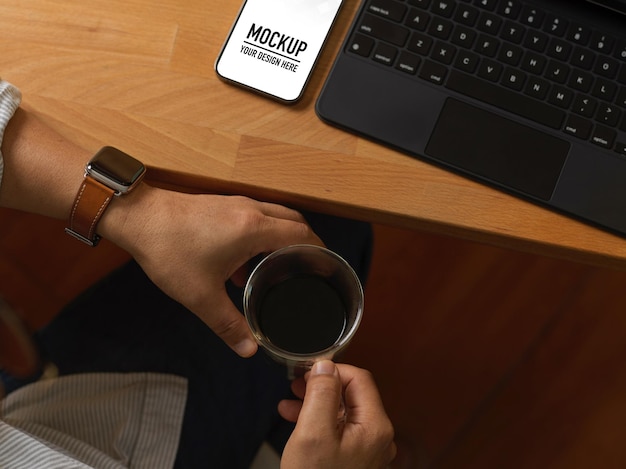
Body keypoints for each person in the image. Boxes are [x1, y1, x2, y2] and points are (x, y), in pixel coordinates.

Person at [0, 78, 397, 468]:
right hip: (157, 434)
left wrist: (140, 214)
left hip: (75, 410)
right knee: (336, 232)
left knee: (320, 228)